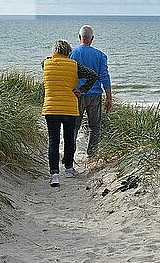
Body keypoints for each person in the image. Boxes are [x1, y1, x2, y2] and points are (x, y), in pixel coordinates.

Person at [42, 39, 98, 187]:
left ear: (54, 51)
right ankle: (68, 168)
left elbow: (46, 62)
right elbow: (93, 75)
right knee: (68, 139)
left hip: (51, 107)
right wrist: (81, 90)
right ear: (68, 51)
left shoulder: (46, 63)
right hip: (69, 107)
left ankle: (54, 175)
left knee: (53, 141)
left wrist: (51, 57)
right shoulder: (74, 65)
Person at [69, 25, 113, 157]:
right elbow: (104, 77)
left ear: (79, 37)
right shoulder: (100, 55)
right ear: (92, 38)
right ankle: (92, 155)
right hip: (95, 95)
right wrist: (109, 98)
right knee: (94, 127)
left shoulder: (71, 54)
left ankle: (70, 155)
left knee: (74, 127)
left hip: (77, 94)